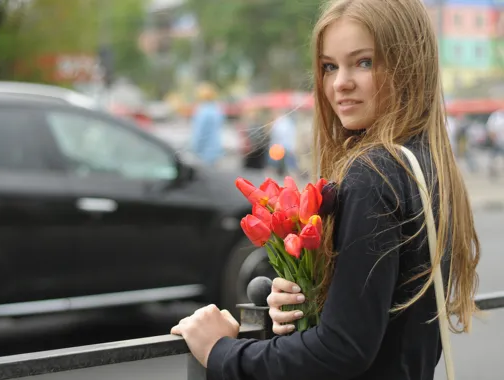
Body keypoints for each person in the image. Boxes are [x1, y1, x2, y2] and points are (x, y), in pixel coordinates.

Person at [170, 1, 480, 380]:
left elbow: (341, 350)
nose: (340, 83)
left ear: (408, 66)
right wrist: (312, 298)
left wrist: (220, 351)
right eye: (329, 66)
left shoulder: (373, 174)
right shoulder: (426, 166)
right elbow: (388, 322)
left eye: (363, 62)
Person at [190, 82, 226, 166]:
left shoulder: (202, 111)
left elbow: (199, 133)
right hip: (215, 150)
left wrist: (194, 149)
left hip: (203, 152)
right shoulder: (217, 109)